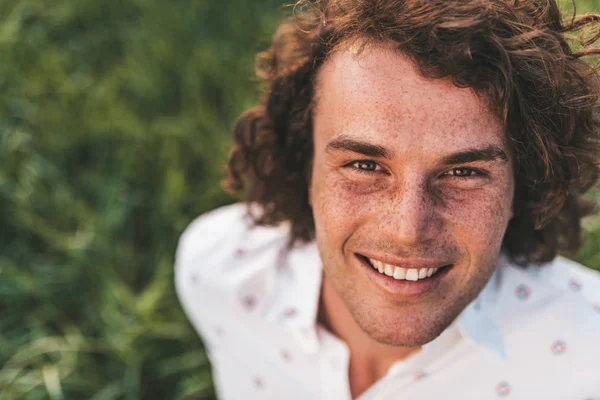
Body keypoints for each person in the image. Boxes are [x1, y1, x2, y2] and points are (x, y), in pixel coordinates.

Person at [175, 1, 600, 398]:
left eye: (464, 173)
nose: (408, 229)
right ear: (304, 163)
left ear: (522, 186)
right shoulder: (221, 272)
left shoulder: (587, 361)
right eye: (364, 165)